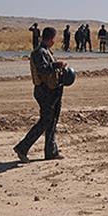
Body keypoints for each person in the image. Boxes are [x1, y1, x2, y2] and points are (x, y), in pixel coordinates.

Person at [14, 27, 68, 162]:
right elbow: (43, 70)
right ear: (50, 38)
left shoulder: (46, 51)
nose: (54, 41)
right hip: (44, 91)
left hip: (52, 90)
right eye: (54, 38)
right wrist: (56, 65)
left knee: (52, 121)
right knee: (45, 121)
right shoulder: (39, 52)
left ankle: (51, 151)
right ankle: (22, 148)